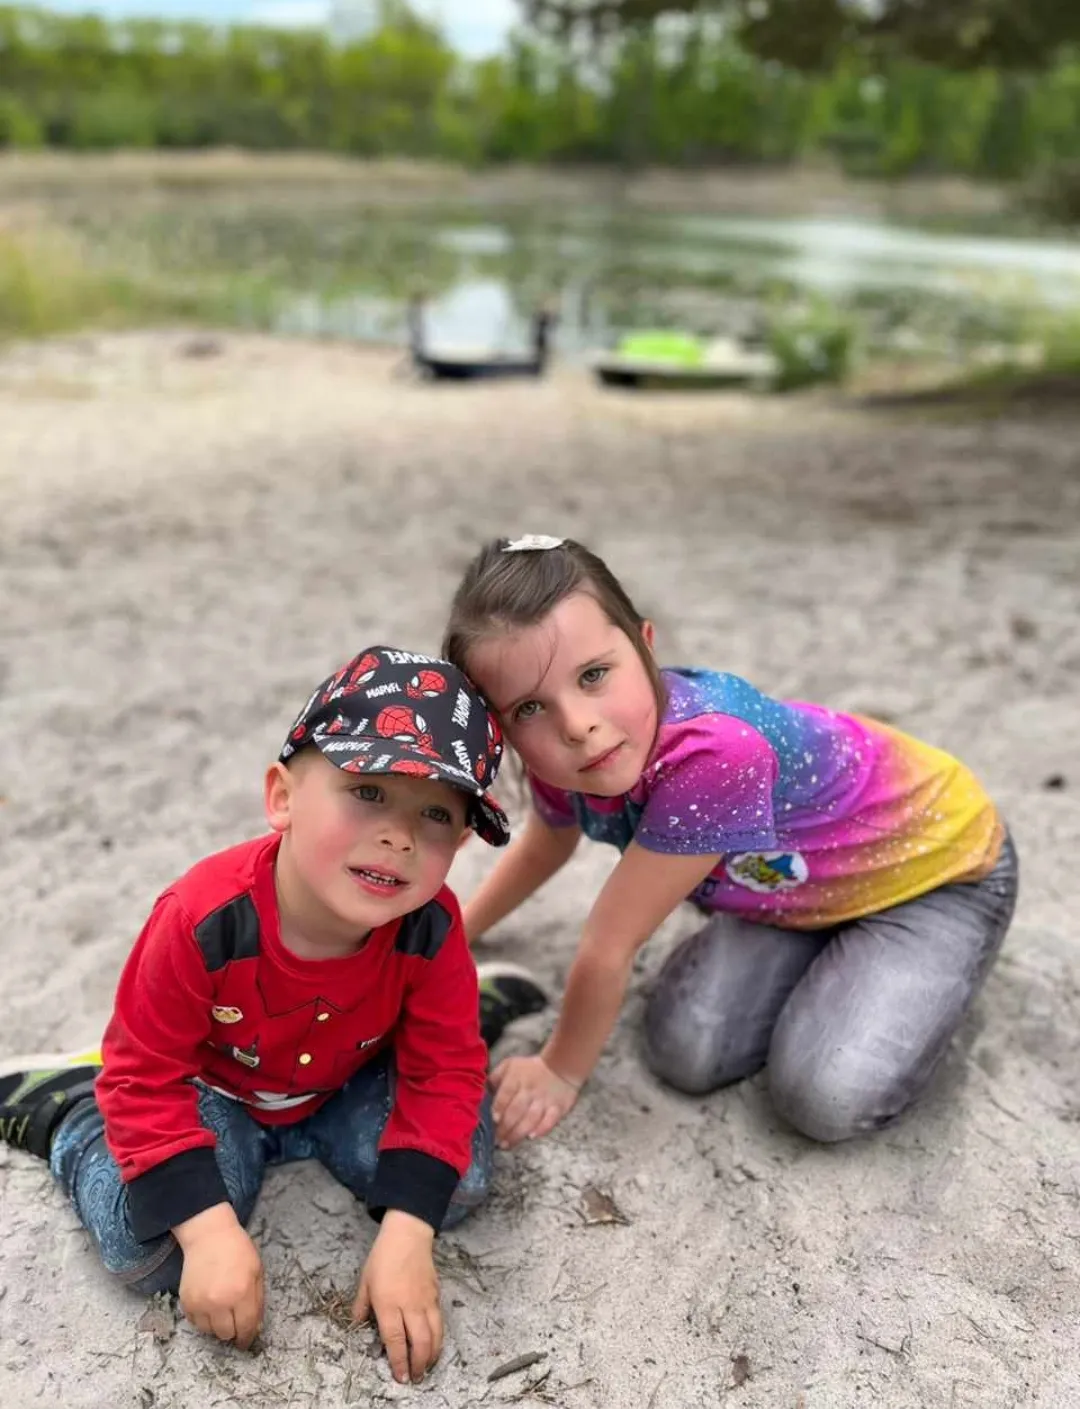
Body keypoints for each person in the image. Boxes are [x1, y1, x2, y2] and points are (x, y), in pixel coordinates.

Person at [0, 647, 547, 1384]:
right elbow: (144, 1075)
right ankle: (66, 1112)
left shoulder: (432, 926)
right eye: (368, 791)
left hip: (350, 1080)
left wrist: (408, 1236)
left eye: (436, 814)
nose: (400, 835)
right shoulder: (202, 918)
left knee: (458, 1184)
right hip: (216, 1090)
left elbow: (444, 1073)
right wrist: (209, 1230)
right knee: (150, 1252)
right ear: (282, 797)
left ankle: (468, 1006)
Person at [440, 535, 1019, 1153]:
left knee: (826, 1096)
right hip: (790, 892)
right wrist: (461, 932)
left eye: (594, 675)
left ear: (645, 645)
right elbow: (544, 847)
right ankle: (834, 956)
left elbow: (610, 943)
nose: (577, 725)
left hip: (935, 871)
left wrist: (559, 1070)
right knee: (685, 1051)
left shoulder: (714, 755)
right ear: (501, 726)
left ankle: (914, 976)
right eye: (530, 707)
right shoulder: (571, 758)